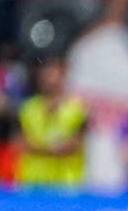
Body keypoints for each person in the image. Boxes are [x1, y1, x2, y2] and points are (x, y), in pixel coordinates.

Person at [16, 56, 87, 189]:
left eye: (52, 72)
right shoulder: (28, 107)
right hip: (33, 182)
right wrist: (53, 148)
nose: (47, 78)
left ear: (63, 75)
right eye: (45, 73)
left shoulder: (77, 108)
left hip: (66, 184)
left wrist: (39, 147)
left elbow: (75, 144)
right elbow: (21, 143)